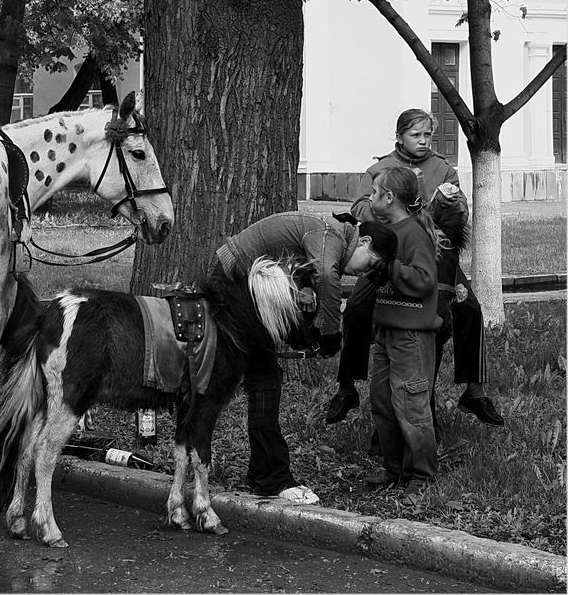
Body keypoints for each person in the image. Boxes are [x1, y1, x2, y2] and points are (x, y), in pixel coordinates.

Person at [325, 108, 504, 428]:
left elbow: (458, 210)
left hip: (434, 258)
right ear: (399, 136)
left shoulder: (443, 169)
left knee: (470, 309)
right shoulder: (380, 169)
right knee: (355, 307)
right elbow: (359, 208)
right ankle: (347, 386)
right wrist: (390, 209)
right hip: (387, 257)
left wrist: (447, 203)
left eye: (427, 135)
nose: (423, 142)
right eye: (415, 135)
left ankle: (473, 389)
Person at [212, 211, 398, 504]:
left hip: (241, 279)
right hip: (233, 279)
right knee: (265, 380)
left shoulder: (327, 233)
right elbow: (327, 275)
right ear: (363, 241)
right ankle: (273, 478)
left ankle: (263, 472)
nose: (362, 273)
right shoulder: (329, 234)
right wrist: (329, 332)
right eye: (370, 264)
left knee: (265, 378)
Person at [363, 167, 440, 493]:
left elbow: (424, 280)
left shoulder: (412, 234)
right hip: (386, 330)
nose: (370, 196)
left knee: (411, 404)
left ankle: (421, 475)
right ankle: (393, 470)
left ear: (389, 197)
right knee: (382, 399)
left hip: (410, 334)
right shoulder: (389, 231)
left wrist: (391, 267)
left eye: (374, 191)